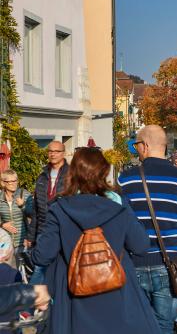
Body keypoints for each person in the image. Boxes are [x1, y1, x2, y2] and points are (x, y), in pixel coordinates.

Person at [31, 147, 161, 334]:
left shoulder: (59, 209)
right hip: (117, 295)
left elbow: (43, 255)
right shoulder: (117, 206)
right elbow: (141, 245)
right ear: (104, 172)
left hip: (72, 298)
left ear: (72, 173)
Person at [118, 125, 177, 333]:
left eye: (136, 145)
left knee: (137, 325)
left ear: (144, 146)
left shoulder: (125, 179)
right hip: (169, 263)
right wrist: (175, 244)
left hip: (134, 261)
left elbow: (121, 221)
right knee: (164, 325)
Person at [27, 140, 69, 285]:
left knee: (60, 269)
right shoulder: (42, 176)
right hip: (43, 230)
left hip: (63, 229)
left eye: (56, 151)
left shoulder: (71, 175)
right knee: (40, 267)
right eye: (50, 151)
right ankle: (33, 301)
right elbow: (36, 210)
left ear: (63, 153)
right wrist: (30, 236)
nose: (53, 154)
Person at [0, 169, 32, 267]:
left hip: (23, 241)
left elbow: (33, 214)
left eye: (15, 180)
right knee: (8, 274)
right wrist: (2, 224)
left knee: (23, 274)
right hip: (5, 243)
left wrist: (23, 206)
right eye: (11, 181)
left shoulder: (24, 194)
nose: (14, 184)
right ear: (3, 183)